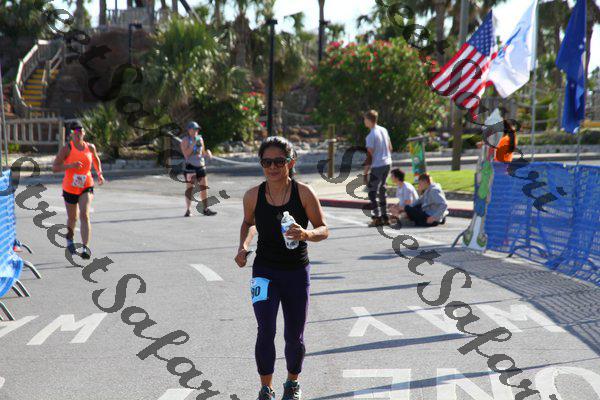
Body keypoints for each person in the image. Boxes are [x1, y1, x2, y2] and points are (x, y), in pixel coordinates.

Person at [234, 136, 329, 400]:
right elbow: (249, 223)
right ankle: (266, 388)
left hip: (296, 272)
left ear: (291, 162)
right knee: (265, 330)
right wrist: (243, 246)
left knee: (294, 334)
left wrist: (306, 234)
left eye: (279, 161)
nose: (273, 167)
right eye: (266, 162)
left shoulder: (304, 193)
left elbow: (323, 229)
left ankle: (292, 383)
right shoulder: (253, 195)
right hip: (264, 272)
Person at [52, 121, 104, 259]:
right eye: (75, 132)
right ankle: (70, 239)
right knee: (72, 218)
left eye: (80, 131)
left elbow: (96, 159)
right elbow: (55, 167)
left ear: (84, 133)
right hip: (70, 187)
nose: (78, 133)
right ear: (71, 134)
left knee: (84, 215)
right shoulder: (67, 149)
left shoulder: (90, 147)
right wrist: (70, 166)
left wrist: (99, 173)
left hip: (86, 185)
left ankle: (85, 248)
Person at [180, 121, 216, 217]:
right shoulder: (185, 140)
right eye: (194, 129)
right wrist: (193, 143)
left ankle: (205, 208)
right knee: (190, 188)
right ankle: (188, 210)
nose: (196, 131)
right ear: (189, 130)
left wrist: (208, 152)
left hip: (200, 166)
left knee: (204, 187)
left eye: (197, 129)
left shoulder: (200, 139)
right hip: (190, 167)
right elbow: (186, 154)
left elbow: (202, 152)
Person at [363, 110, 393, 227]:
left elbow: (370, 156)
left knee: (372, 192)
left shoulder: (371, 136)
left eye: (365, 119)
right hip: (387, 163)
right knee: (382, 190)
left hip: (378, 165)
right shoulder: (383, 130)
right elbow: (390, 147)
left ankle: (377, 218)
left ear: (369, 120)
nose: (364, 121)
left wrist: (365, 172)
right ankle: (385, 217)